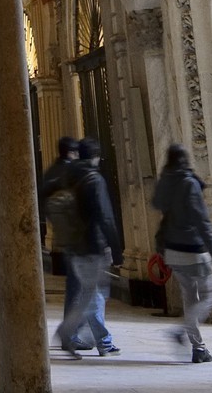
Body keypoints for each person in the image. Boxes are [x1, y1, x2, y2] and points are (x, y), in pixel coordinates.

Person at [152, 144, 212, 364]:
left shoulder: (165, 181)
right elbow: (201, 220)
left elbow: (157, 203)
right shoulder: (189, 183)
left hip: (172, 250)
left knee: (190, 298)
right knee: (210, 296)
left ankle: (198, 348)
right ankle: (182, 331)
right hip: (194, 250)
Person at [58, 137, 123, 358]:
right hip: (92, 245)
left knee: (90, 293)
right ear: (96, 157)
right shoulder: (94, 179)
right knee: (96, 294)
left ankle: (70, 333)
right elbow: (105, 217)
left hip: (74, 244)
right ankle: (102, 341)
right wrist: (116, 248)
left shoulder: (68, 178)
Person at [41, 137, 92, 351]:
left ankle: (73, 331)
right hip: (78, 237)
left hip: (65, 236)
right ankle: (70, 333)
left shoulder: (52, 171)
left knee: (77, 285)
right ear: (73, 152)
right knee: (81, 288)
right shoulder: (72, 174)